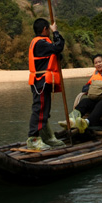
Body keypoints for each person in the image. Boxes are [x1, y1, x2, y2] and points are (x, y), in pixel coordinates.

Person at [27, 18, 66, 151]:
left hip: (44, 81)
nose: (50, 31)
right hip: (40, 81)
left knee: (45, 110)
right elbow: (59, 46)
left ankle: (47, 137)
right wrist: (56, 33)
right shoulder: (40, 43)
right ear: (45, 29)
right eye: (49, 29)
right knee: (39, 109)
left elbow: (57, 54)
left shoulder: (43, 43)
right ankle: (33, 138)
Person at [61, 54, 102, 130]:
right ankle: (71, 119)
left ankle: (87, 122)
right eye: (96, 63)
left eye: (100, 62)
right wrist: (94, 87)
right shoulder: (95, 74)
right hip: (97, 98)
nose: (98, 64)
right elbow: (84, 88)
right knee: (85, 101)